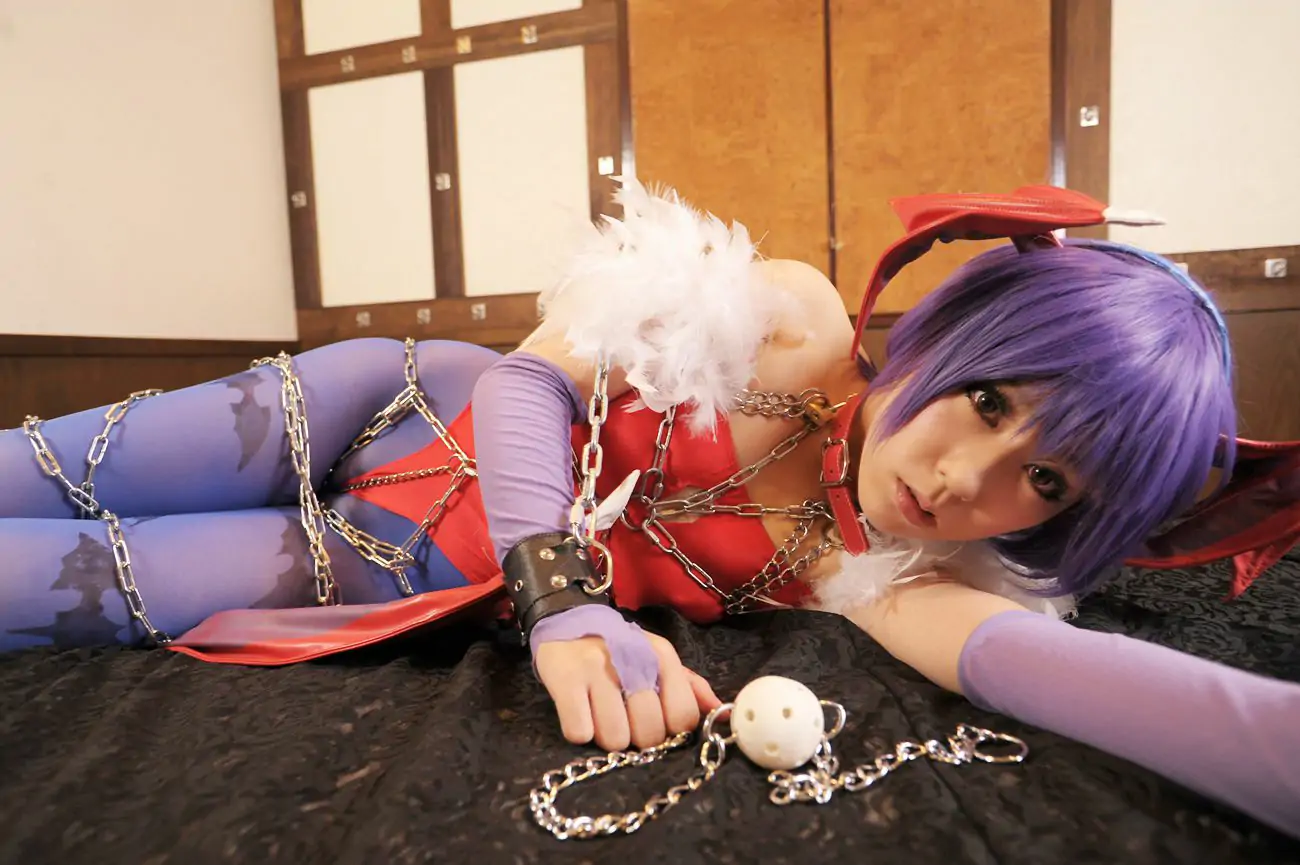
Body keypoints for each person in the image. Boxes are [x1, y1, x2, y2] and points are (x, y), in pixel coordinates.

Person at [1, 180, 1297, 836]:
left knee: (49, 588)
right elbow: (527, 378)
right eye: (994, 400)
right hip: (381, 400)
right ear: (961, 333)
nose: (966, 478)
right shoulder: (795, 323)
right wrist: (567, 605)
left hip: (382, 563)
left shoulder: (899, 578)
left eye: (1047, 482)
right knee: (34, 467)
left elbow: (1073, 676)